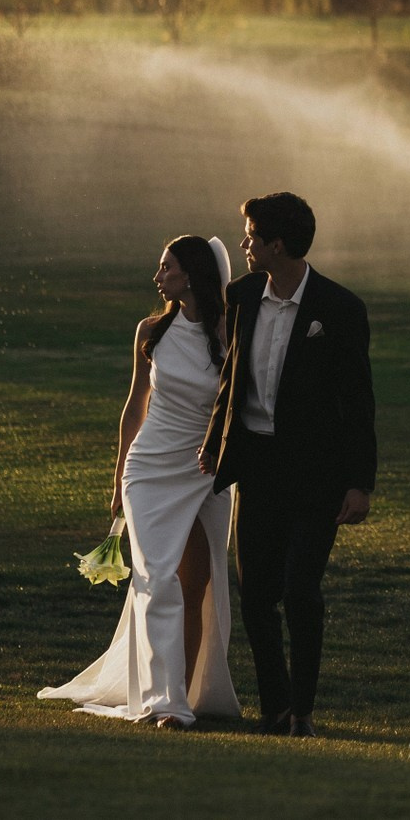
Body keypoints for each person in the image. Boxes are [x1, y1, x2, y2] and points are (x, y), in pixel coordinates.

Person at [40, 235, 241, 729]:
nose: (157, 277)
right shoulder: (151, 330)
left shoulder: (229, 330)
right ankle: (165, 703)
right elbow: (135, 406)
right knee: (158, 581)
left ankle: (187, 693)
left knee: (198, 584)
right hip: (149, 472)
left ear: (190, 275)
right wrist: (117, 480)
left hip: (208, 472)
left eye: (166, 267)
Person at [200, 191, 377, 737]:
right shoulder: (243, 294)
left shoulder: (340, 309)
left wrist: (359, 483)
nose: (244, 244)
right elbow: (231, 380)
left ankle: (303, 711)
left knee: (301, 592)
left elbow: (359, 400)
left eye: (252, 236)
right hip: (256, 468)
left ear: (277, 245)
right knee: (255, 597)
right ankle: (274, 710)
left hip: (316, 475)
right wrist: (214, 443)